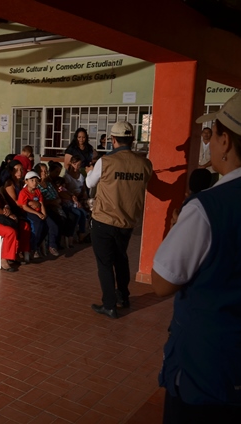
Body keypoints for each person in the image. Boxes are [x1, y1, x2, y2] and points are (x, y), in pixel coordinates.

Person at [152, 89, 241, 423]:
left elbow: (162, 284)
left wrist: (175, 227)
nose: (209, 142)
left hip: (208, 373)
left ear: (226, 141)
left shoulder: (210, 206)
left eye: (213, 134)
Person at [85, 121, 152, 319]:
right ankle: (124, 297)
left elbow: (90, 183)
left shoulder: (105, 161)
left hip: (104, 220)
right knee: (121, 259)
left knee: (105, 264)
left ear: (113, 140)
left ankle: (109, 304)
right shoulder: (144, 163)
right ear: (132, 140)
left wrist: (90, 171)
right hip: (127, 222)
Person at [34, 163, 74, 256]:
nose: (45, 173)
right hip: (45, 209)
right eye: (42, 171)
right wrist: (52, 202)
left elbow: (56, 194)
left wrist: (57, 201)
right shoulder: (36, 185)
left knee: (66, 218)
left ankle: (57, 243)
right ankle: (51, 246)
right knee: (53, 224)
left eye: (45, 171)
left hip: (55, 207)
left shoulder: (48, 183)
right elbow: (39, 201)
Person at [17, 171, 48, 258]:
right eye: (32, 180)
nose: (34, 183)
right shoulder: (23, 192)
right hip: (28, 213)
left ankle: (36, 245)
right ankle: (32, 248)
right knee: (36, 225)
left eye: (36, 180)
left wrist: (44, 214)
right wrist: (38, 214)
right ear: (26, 181)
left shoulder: (37, 191)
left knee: (46, 227)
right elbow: (24, 207)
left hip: (38, 212)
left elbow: (41, 203)